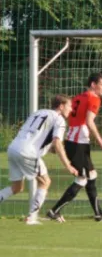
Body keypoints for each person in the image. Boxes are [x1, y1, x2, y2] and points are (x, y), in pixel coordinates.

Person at [0, 95, 78, 225]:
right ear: (61, 106)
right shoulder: (59, 119)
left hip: (13, 148)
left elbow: (40, 137)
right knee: (45, 181)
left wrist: (54, 149)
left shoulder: (39, 112)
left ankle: (32, 216)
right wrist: (68, 165)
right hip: (28, 152)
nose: (71, 110)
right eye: (69, 106)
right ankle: (32, 217)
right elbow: (57, 143)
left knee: (17, 187)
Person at [47, 73, 102, 222]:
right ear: (93, 84)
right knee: (83, 179)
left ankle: (98, 213)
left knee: (92, 175)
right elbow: (89, 121)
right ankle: (54, 210)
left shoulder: (78, 97)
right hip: (78, 144)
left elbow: (70, 119)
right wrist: (101, 142)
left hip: (75, 141)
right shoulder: (94, 98)